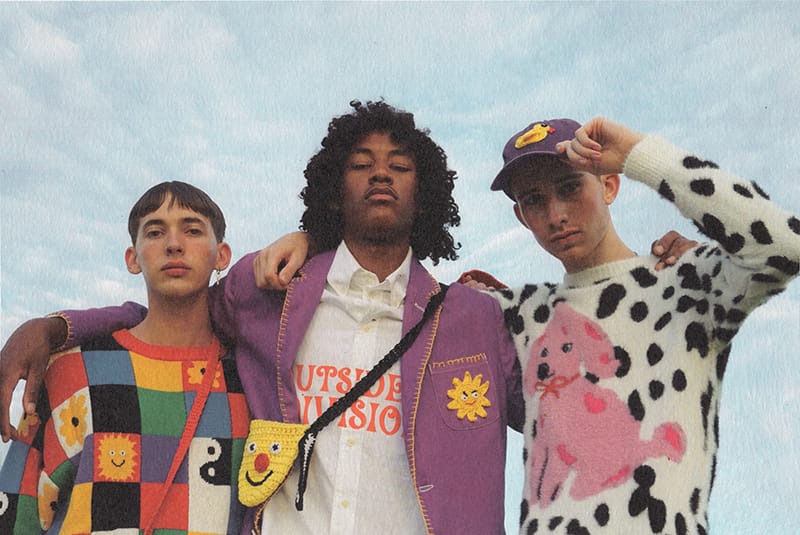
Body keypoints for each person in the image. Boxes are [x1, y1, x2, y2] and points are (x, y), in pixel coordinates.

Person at [0, 101, 526, 535]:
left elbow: (558, 409)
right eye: (361, 164)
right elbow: (170, 313)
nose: (381, 173)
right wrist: (53, 328)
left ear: (425, 193)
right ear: (333, 190)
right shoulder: (273, 292)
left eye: (400, 166)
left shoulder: (477, 319)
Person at [476, 117, 798, 534]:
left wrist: (639, 156)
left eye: (570, 187)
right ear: (522, 217)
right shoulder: (517, 314)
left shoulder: (686, 284)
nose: (556, 215)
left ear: (609, 185)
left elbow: (786, 246)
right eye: (534, 200)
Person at [0, 182, 249, 534]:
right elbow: (18, 512)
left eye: (192, 230)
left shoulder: (248, 381)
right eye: (155, 232)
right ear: (133, 258)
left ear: (221, 255)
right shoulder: (71, 371)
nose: (174, 244)